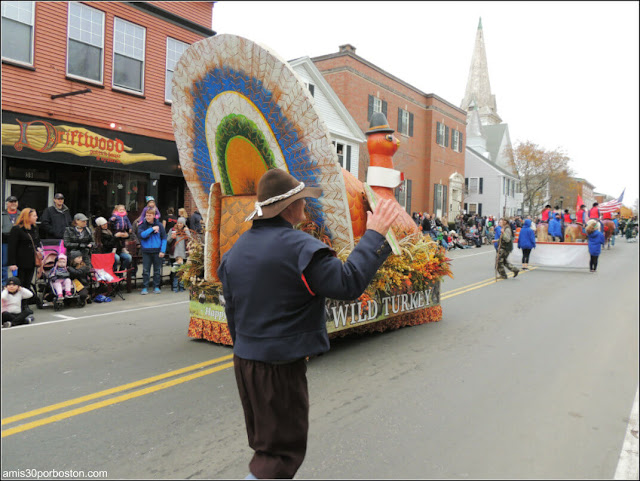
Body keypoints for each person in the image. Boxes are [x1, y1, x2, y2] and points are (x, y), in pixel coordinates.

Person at [217, 168, 398, 480]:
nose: (306, 205)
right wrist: (375, 234)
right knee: (279, 458)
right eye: (302, 200)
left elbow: (233, 314)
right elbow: (348, 283)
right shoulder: (299, 247)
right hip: (279, 365)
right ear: (290, 208)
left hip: (247, 361)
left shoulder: (237, 250)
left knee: (267, 449)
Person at [7, 208, 44, 289]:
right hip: (20, 262)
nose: (36, 217)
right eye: (34, 216)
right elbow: (11, 247)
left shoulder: (34, 228)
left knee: (28, 283)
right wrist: (12, 263)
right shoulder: (17, 229)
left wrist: (39, 249)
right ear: (28, 217)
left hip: (31, 261)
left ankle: (26, 301)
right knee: (20, 283)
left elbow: (37, 241)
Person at [138, 207, 167, 295]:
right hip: (146, 251)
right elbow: (142, 235)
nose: (148, 217)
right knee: (145, 271)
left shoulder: (160, 225)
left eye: (150, 215)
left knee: (157, 270)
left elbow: (164, 238)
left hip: (157, 251)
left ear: (154, 216)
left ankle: (156, 287)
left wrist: (162, 250)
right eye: (146, 215)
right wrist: (152, 229)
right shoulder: (142, 225)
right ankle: (145, 287)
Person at [167, 217, 192, 292]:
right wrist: (171, 237)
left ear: (184, 224)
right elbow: (168, 241)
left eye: (181, 223)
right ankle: (174, 286)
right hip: (174, 254)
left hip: (183, 254)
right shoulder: (172, 230)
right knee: (174, 272)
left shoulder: (185, 231)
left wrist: (187, 232)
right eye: (178, 223)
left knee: (182, 272)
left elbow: (190, 239)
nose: (179, 224)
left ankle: (181, 286)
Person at [2, 195, 21, 286]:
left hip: (18, 242)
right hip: (5, 242)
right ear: (7, 204)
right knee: (4, 263)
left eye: (15, 202)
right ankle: (4, 284)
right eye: (11, 202)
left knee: (18, 262)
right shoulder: (2, 214)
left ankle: (16, 282)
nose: (13, 203)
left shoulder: (21, 214)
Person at [109, 204, 134, 271]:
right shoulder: (115, 215)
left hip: (123, 229)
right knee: (117, 239)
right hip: (117, 229)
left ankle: (121, 271)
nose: (122, 211)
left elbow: (128, 222)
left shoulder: (125, 216)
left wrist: (130, 228)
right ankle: (114, 249)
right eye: (120, 209)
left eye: (123, 209)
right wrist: (112, 219)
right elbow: (111, 221)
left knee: (122, 240)